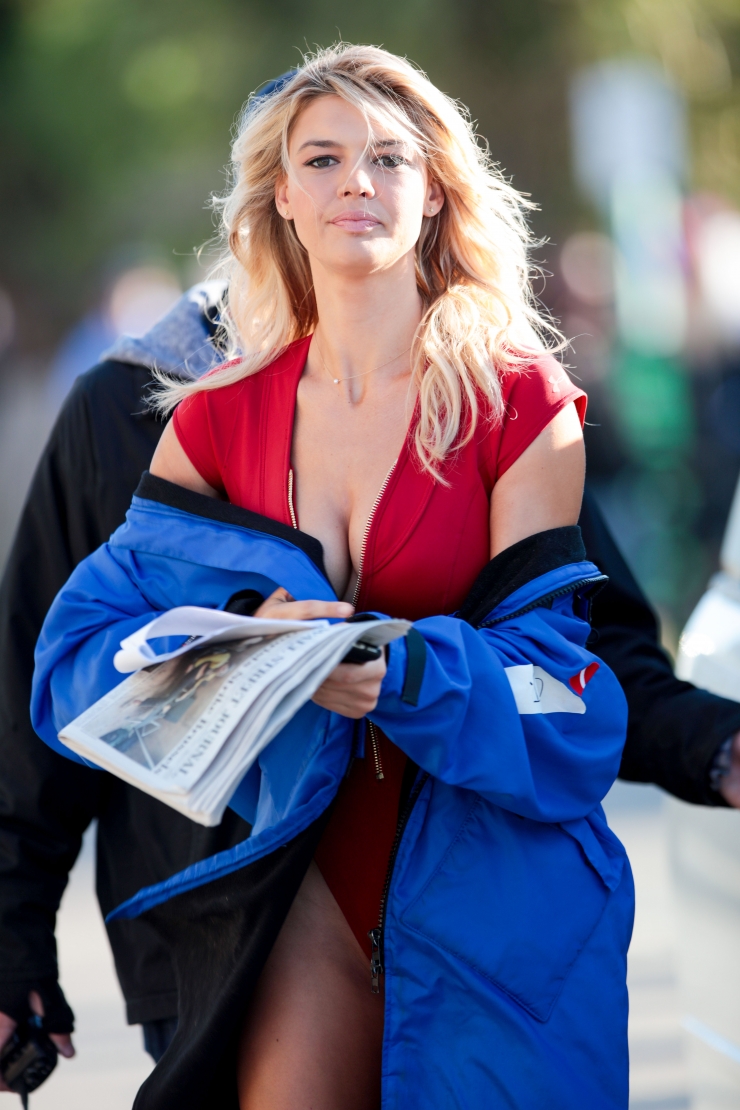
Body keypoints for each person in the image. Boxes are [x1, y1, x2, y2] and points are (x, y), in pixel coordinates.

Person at [31, 45, 632, 1109]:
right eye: (323, 158)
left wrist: (400, 675)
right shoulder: (214, 416)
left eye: (389, 157)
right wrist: (238, 642)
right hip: (300, 893)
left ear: (435, 192)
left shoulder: (520, 404)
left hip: (497, 900)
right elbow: (77, 660)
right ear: (280, 196)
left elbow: (562, 703)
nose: (357, 180)